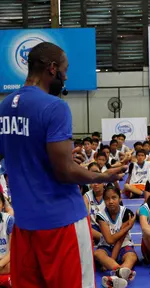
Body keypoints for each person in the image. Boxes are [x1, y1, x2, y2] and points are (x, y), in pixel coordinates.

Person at [0, 42, 125, 287]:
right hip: (62, 224)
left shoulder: (5, 107)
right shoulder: (55, 107)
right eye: (65, 70)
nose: (66, 76)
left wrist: (61, 157)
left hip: (25, 226)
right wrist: (103, 177)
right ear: (52, 68)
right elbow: (65, 172)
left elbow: (19, 154)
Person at [94, 185, 137, 288]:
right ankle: (121, 273)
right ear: (104, 200)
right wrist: (128, 228)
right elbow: (109, 240)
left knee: (132, 256)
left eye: (114, 197)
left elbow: (119, 240)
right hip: (106, 246)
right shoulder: (101, 215)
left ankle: (114, 279)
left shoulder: (127, 213)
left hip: (123, 244)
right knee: (98, 254)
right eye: (107, 199)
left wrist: (109, 262)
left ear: (120, 198)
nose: (111, 201)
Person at [83, 163, 105, 243]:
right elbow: (85, 217)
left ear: (104, 183)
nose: (96, 184)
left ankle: (102, 239)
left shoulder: (109, 194)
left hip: (107, 225)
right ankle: (104, 239)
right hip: (93, 227)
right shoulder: (87, 196)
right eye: (93, 182)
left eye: (98, 182)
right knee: (85, 228)